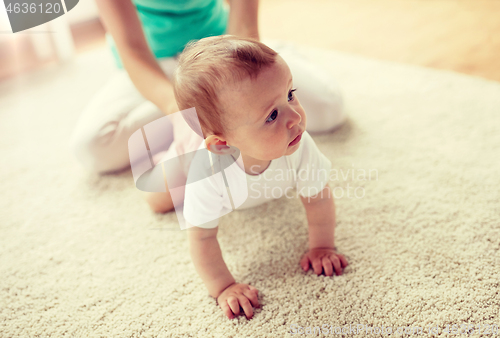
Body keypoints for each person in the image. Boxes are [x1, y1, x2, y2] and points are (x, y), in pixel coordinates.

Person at [147, 35, 349, 320]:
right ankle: (166, 150)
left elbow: (318, 198)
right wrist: (223, 287)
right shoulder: (206, 173)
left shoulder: (300, 144)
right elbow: (202, 237)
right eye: (272, 116)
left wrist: (322, 246)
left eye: (290, 94)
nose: (295, 118)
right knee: (158, 200)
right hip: (189, 152)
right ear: (221, 145)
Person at [70, 0, 345, 174]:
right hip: (154, 63)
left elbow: (244, 26)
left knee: (329, 108)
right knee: (93, 149)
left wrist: (243, 86)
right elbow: (133, 52)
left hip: (224, 49)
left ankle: (273, 70)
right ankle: (215, 120)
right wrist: (180, 111)